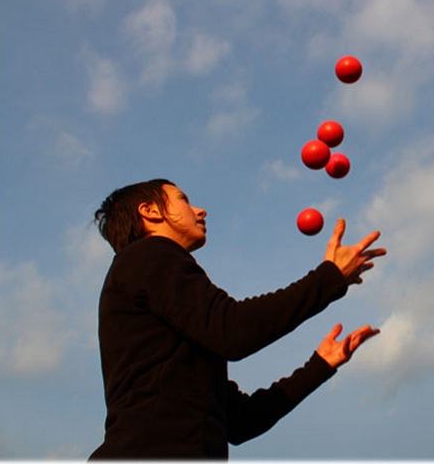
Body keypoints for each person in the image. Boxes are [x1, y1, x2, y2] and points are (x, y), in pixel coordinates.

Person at [88, 179, 386, 459]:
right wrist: (329, 277)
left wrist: (320, 365)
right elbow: (233, 330)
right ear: (150, 211)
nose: (200, 210)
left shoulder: (177, 317)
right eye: (184, 200)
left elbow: (242, 421)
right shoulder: (148, 254)